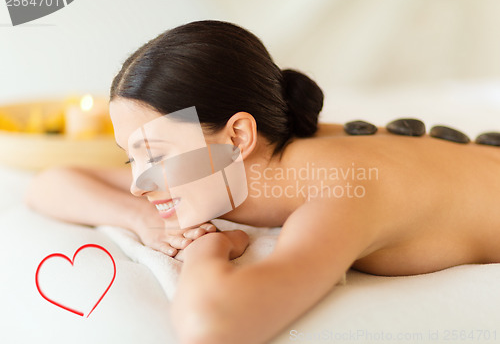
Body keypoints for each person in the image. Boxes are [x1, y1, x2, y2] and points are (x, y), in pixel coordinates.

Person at [26, 20, 500, 344]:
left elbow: (211, 325)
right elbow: (50, 183)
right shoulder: (221, 170)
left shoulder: (339, 191)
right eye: (131, 160)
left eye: (154, 156)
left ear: (237, 134)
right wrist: (144, 221)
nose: (138, 184)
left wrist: (209, 247)